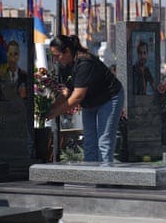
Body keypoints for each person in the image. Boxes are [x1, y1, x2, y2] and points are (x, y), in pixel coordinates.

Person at [46, 35, 124, 164]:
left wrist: (56, 112)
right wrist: (52, 107)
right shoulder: (64, 65)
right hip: (90, 102)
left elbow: (77, 96)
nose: (55, 59)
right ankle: (90, 176)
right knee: (89, 141)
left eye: (57, 55)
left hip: (109, 98)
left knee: (103, 141)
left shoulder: (84, 62)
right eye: (53, 56)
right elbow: (67, 92)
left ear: (67, 51)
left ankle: (105, 178)